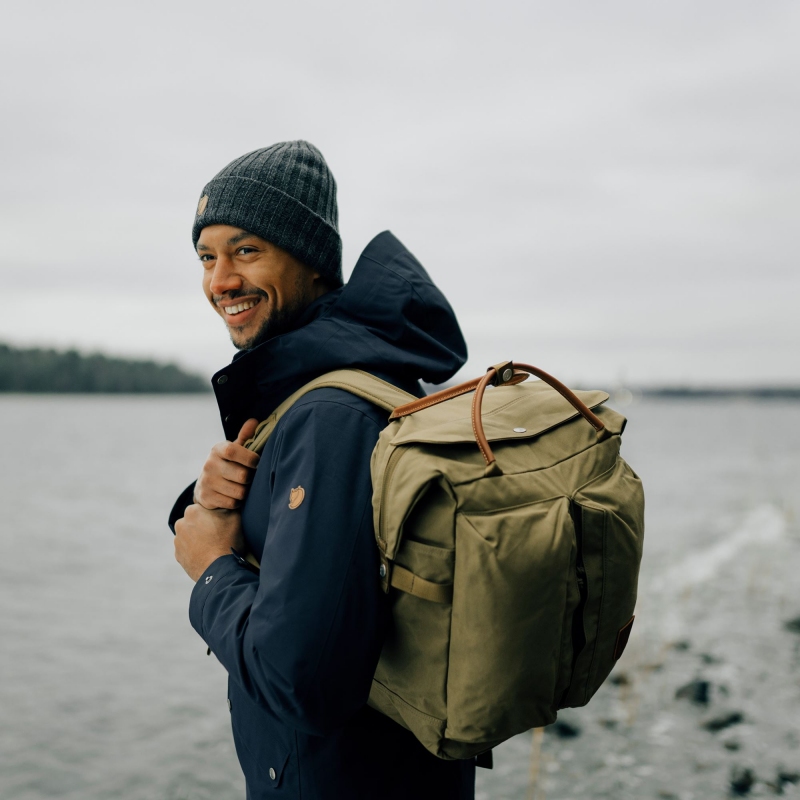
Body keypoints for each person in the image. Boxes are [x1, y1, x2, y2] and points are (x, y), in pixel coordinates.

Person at [169, 141, 476, 799]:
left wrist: (212, 569)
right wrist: (220, 498)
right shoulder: (359, 385)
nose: (220, 281)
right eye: (207, 257)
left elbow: (300, 683)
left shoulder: (331, 414)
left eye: (246, 250)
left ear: (311, 259)